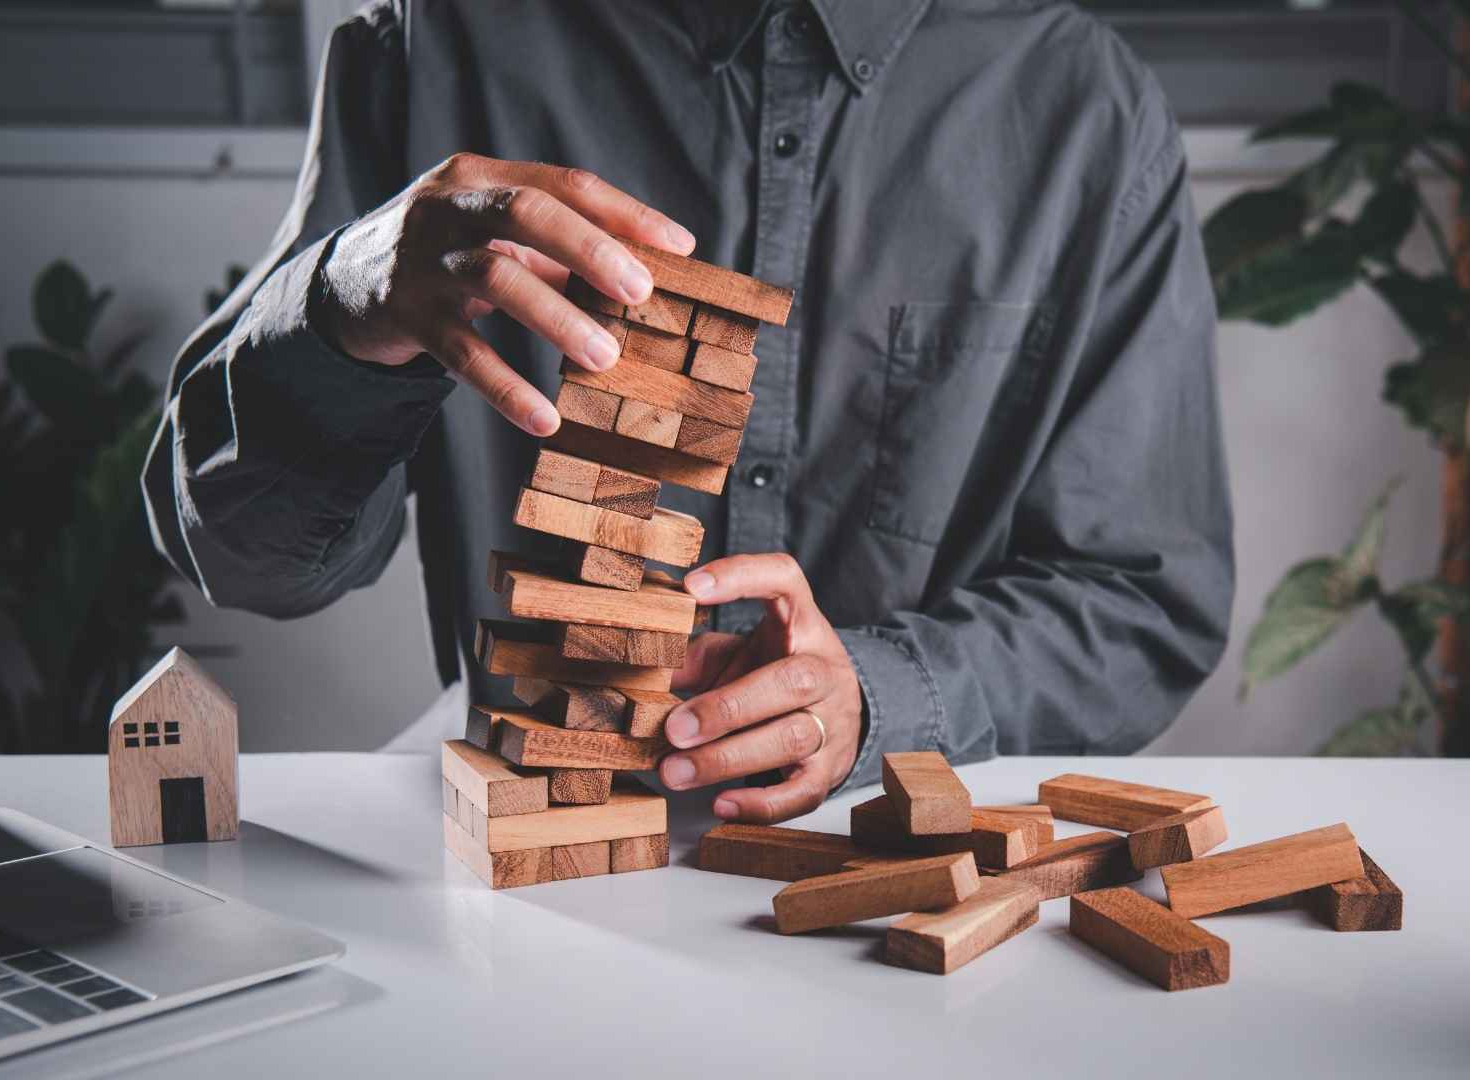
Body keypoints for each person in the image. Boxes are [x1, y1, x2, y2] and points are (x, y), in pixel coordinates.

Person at [144, 0, 1233, 825]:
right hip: (517, 838)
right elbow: (241, 560)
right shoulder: (438, 39)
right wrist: (343, 301)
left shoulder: (1086, 105)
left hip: (910, 852)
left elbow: (1143, 600)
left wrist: (879, 694)